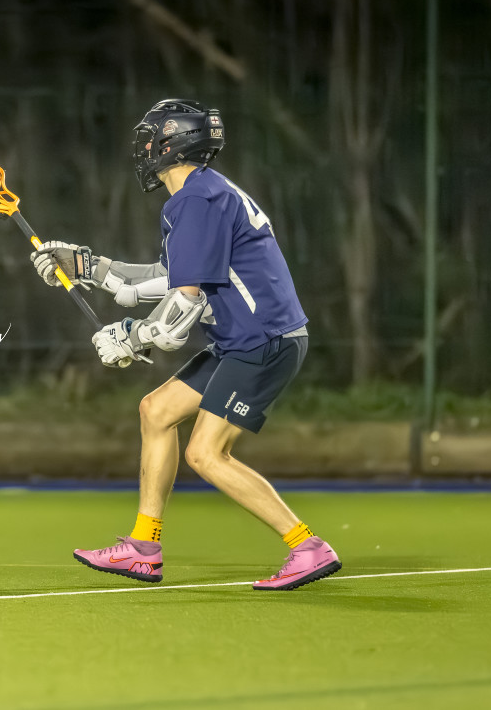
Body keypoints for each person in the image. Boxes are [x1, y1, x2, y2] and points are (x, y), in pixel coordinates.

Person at [30, 99, 340, 591]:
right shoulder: (203, 192)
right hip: (244, 340)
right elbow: (165, 278)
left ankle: (308, 547)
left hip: (262, 341)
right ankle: (142, 548)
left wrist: (131, 337)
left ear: (170, 143)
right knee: (156, 411)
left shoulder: (195, 200)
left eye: (149, 140)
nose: (143, 150)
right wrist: (86, 266)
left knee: (206, 455)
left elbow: (182, 307)